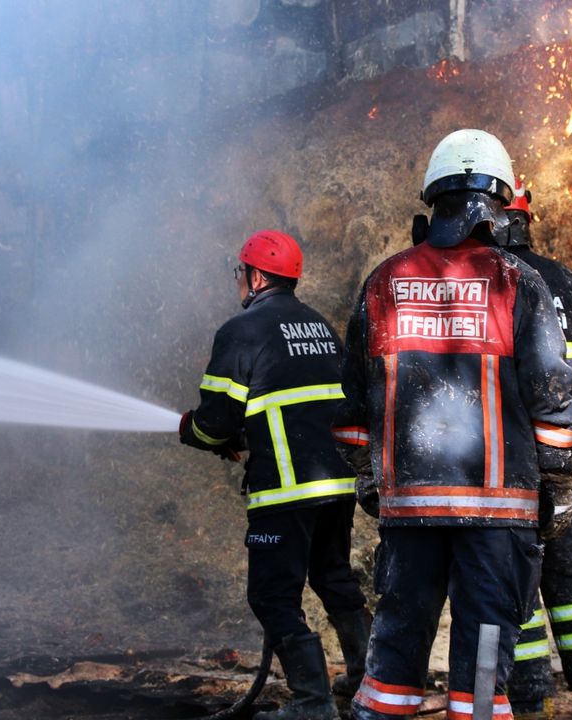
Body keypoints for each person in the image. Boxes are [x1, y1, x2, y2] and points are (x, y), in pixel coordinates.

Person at [332, 129, 572, 720]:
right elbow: (551, 396)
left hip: (410, 513)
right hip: (496, 519)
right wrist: (561, 484)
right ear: (497, 204)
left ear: (433, 199)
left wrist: (372, 481)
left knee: (394, 651)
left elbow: (351, 409)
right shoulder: (517, 281)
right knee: (483, 665)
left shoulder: (383, 283)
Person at [179, 229, 371, 720]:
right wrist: (245, 436)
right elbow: (295, 405)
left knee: (271, 595)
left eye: (240, 273)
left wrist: (197, 431)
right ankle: (368, 679)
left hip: (287, 491)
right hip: (337, 481)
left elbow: (213, 421)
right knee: (333, 578)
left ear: (256, 275)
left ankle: (312, 702)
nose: (238, 282)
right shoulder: (319, 326)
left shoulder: (241, 330)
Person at [500, 181, 572, 719]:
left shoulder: (486, 280)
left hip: (504, 457)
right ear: (527, 223)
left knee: (511, 570)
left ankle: (532, 697)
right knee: (570, 566)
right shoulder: (562, 278)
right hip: (559, 456)